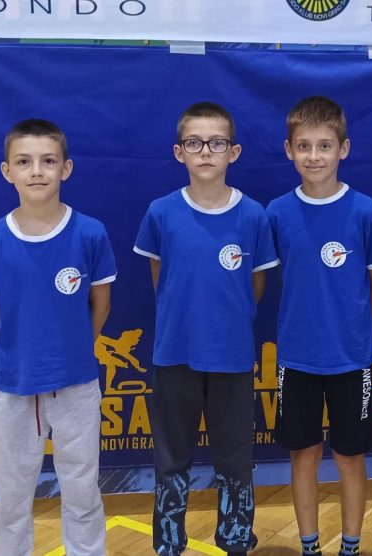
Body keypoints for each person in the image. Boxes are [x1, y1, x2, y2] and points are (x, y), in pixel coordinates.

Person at [133, 101, 278, 556]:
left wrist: (225, 321)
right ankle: (169, 543)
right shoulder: (161, 212)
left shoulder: (253, 215)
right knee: (171, 456)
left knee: (235, 456)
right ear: (180, 152)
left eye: (216, 142)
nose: (206, 152)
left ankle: (235, 539)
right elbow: (161, 277)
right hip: (174, 353)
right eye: (194, 143)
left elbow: (255, 286)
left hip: (232, 356)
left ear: (233, 152)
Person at [0, 118, 116, 556]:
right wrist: (21, 355)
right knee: (12, 495)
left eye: (48, 161)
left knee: (82, 488)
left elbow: (100, 306)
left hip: (76, 383)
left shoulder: (90, 233)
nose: (37, 171)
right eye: (24, 162)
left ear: (65, 168)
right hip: (12, 386)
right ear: (7, 171)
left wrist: (70, 349)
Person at [265, 96, 372, 556]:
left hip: (351, 359)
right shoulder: (276, 213)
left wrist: (349, 326)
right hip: (296, 357)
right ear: (289, 150)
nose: (314, 156)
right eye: (304, 146)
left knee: (350, 456)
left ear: (344, 149)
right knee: (304, 454)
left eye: (324, 145)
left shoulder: (365, 211)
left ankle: (350, 546)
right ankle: (309, 547)